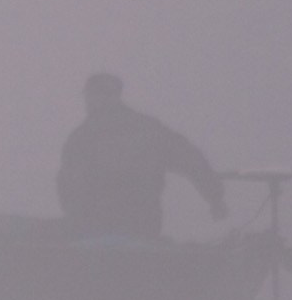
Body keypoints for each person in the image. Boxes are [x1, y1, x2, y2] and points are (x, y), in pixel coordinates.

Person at [56, 72, 226, 240]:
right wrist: (215, 197)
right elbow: (191, 160)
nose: (90, 100)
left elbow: (67, 183)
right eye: (90, 95)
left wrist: (75, 215)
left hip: (97, 226)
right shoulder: (148, 129)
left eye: (93, 95)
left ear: (110, 96)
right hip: (140, 223)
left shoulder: (82, 137)